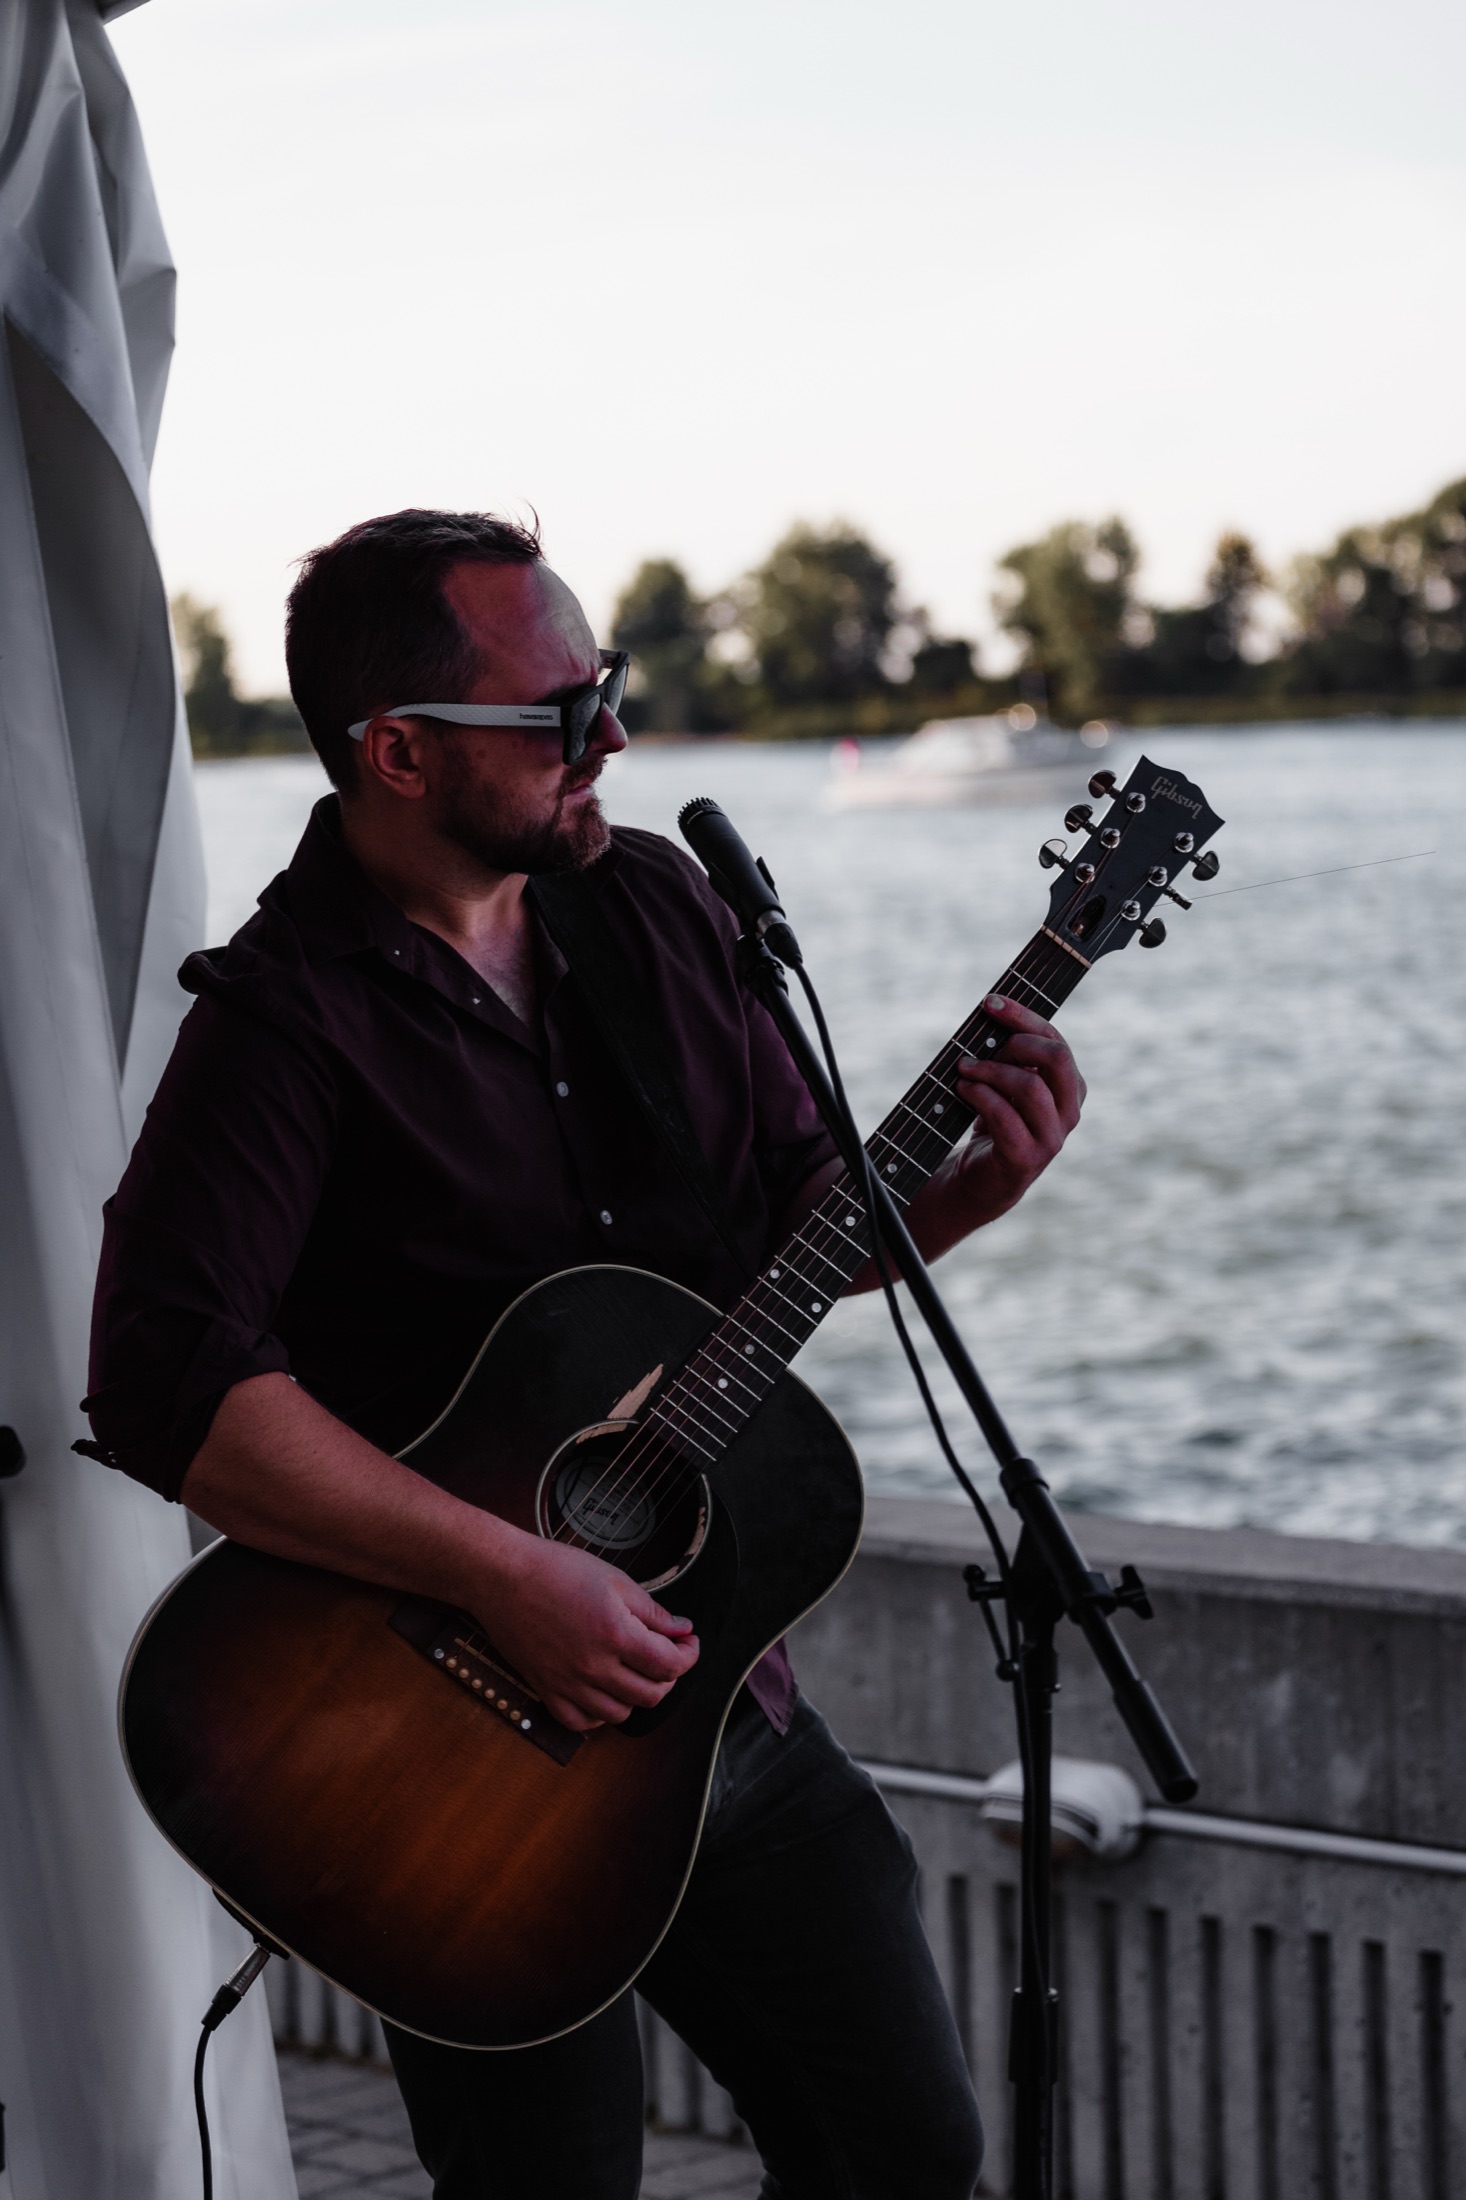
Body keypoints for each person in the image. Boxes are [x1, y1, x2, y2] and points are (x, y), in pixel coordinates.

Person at [82, 509, 1086, 2200]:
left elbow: (791, 1227)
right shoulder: (282, 1019)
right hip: (438, 1758)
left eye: (602, 686)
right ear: (395, 753)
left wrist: (977, 1185)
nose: (607, 735)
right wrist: (502, 1575)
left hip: (715, 1708)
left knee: (905, 2150)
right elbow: (168, 1385)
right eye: (556, 711)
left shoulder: (658, 911)